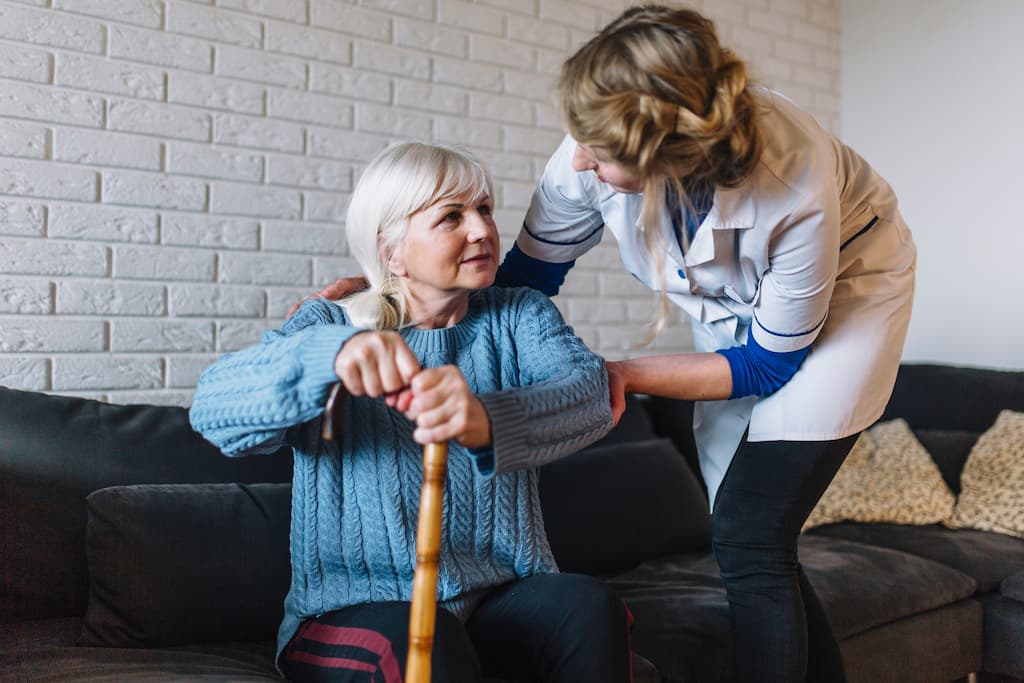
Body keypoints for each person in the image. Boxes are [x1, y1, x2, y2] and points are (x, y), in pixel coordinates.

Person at [303, 6, 915, 682]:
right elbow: (523, 282)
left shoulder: (795, 185)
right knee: (745, 535)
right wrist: (398, 281)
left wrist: (620, 370)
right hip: (740, 315)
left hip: (852, 292)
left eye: (601, 152)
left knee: (749, 530)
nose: (580, 158)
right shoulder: (584, 155)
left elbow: (767, 363)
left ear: (666, 159)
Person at [189, 142, 633, 683]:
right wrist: (328, 356)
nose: (482, 230)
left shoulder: (517, 315)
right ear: (392, 252)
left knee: (586, 606)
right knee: (422, 642)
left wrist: (487, 420)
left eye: (485, 210)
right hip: (353, 609)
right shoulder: (330, 323)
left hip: (498, 597)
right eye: (452, 216)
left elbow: (589, 393)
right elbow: (213, 409)